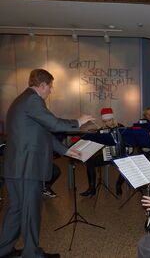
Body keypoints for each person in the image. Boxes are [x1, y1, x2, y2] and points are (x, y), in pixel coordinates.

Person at [0, 69, 93, 258]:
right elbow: (54, 124)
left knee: (17, 209)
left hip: (17, 167)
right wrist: (78, 121)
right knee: (30, 210)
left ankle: (4, 250)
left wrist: (66, 150)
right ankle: (31, 253)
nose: (50, 91)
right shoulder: (33, 100)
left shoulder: (22, 101)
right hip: (26, 168)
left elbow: (43, 132)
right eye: (50, 87)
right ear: (42, 85)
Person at [80, 107, 124, 197]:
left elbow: (128, 141)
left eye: (109, 120)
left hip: (120, 155)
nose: (107, 123)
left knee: (127, 166)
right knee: (90, 162)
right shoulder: (101, 130)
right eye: (105, 121)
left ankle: (119, 184)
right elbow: (96, 143)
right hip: (107, 156)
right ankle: (92, 188)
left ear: (113, 119)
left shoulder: (121, 128)